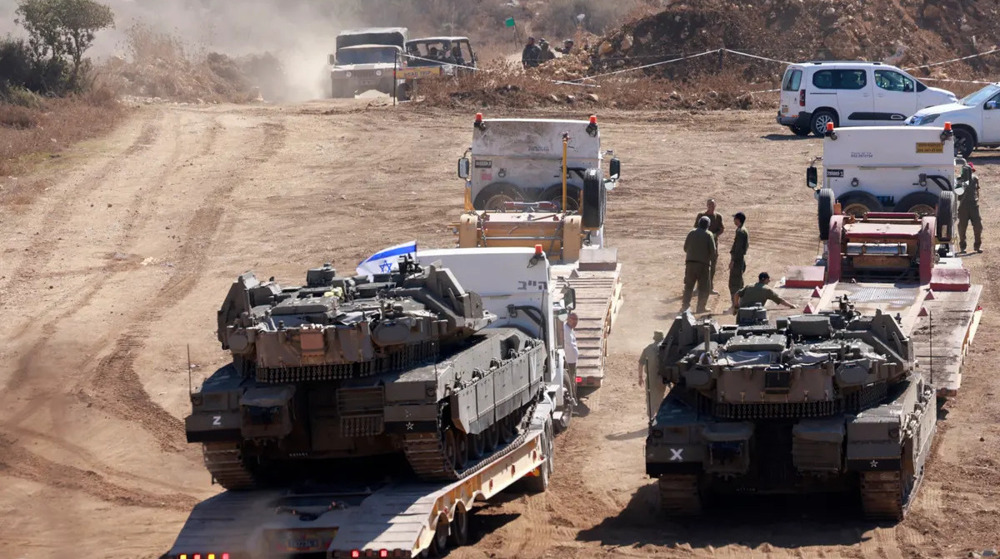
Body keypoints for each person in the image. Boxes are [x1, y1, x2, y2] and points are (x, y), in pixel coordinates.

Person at [682, 216, 716, 313]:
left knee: (688, 286)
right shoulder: (709, 234)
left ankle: (685, 307)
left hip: (690, 264)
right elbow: (713, 252)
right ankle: (700, 307)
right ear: (708, 225)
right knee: (704, 287)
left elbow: (685, 248)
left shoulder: (691, 233)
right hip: (703, 265)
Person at [695, 199, 725, 295]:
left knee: (712, 267)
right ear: (707, 205)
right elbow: (696, 228)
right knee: (700, 266)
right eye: (709, 204)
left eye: (713, 204)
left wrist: (714, 235)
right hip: (702, 246)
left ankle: (710, 287)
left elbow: (721, 229)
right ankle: (698, 288)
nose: (711, 206)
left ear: (715, 205)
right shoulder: (701, 216)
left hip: (713, 245)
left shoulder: (718, 217)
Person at [638, 330, 666, 420]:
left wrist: (640, 377)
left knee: (650, 397)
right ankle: (659, 417)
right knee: (660, 397)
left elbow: (640, 363)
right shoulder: (666, 348)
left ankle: (651, 417)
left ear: (654, 338)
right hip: (662, 379)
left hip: (650, 379)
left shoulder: (647, 349)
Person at [958, 165, 983, 253]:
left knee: (978, 226)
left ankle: (977, 246)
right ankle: (962, 247)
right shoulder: (959, 179)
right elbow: (958, 194)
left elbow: (977, 191)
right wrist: (964, 183)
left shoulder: (975, 178)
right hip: (963, 206)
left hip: (974, 206)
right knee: (962, 228)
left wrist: (977, 201)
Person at [728, 212, 749, 312]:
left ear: (738, 220)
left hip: (737, 260)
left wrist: (733, 261)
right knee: (739, 283)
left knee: (734, 284)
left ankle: (735, 306)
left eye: (735, 218)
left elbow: (738, 249)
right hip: (740, 260)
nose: (734, 220)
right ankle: (740, 303)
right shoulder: (743, 230)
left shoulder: (740, 232)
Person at [563, 312, 579, 380]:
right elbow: (568, 345)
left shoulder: (570, 329)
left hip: (572, 361)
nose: (575, 321)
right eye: (573, 319)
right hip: (568, 362)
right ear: (568, 319)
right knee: (570, 379)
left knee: (572, 379)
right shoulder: (565, 329)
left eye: (576, 319)